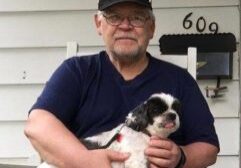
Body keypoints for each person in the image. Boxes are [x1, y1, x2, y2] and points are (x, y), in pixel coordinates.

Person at [24, 0, 219, 168]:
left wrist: (181, 157)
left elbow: (208, 148)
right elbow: (38, 125)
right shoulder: (77, 72)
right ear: (98, 24)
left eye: (137, 17)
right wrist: (85, 161)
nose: (125, 26)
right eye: (114, 17)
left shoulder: (180, 80)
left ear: (151, 27)